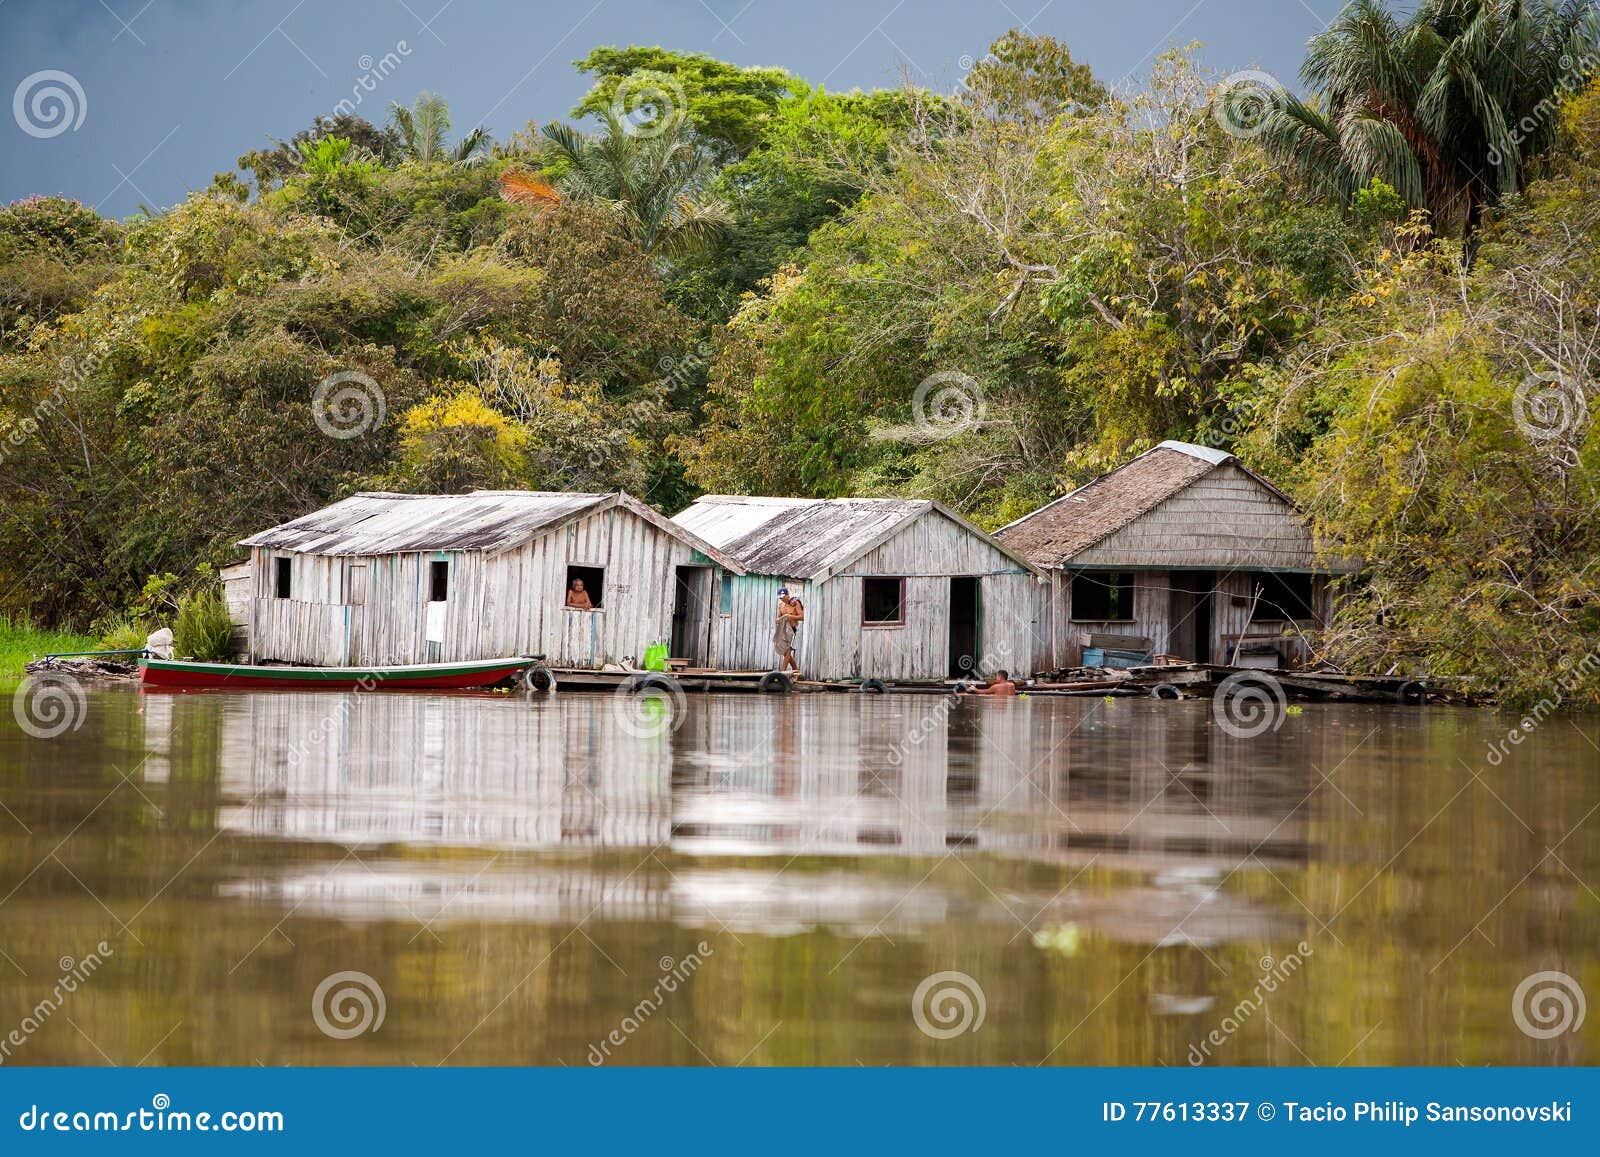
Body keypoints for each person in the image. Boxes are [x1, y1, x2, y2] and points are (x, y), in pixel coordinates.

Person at [773, 587, 804, 675]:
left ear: (787, 595)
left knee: (788, 651)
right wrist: (778, 619)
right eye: (780, 597)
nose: (781, 599)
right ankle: (797, 672)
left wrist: (789, 616)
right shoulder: (781, 605)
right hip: (784, 630)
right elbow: (778, 618)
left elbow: (802, 617)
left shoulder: (795, 603)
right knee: (784, 652)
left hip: (793, 630)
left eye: (782, 597)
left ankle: (782, 673)